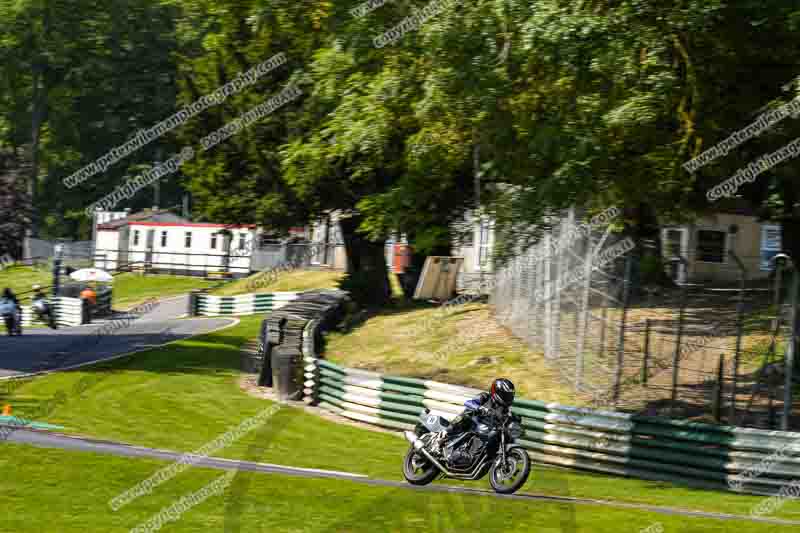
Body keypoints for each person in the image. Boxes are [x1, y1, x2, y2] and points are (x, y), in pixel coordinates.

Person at [432, 378, 515, 453]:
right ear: (496, 392)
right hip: (473, 424)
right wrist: (480, 408)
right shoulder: (485, 397)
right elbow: (468, 403)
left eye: (509, 396)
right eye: (505, 395)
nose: (507, 398)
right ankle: (443, 436)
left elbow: (508, 420)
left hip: (485, 433)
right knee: (466, 415)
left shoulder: (505, 410)